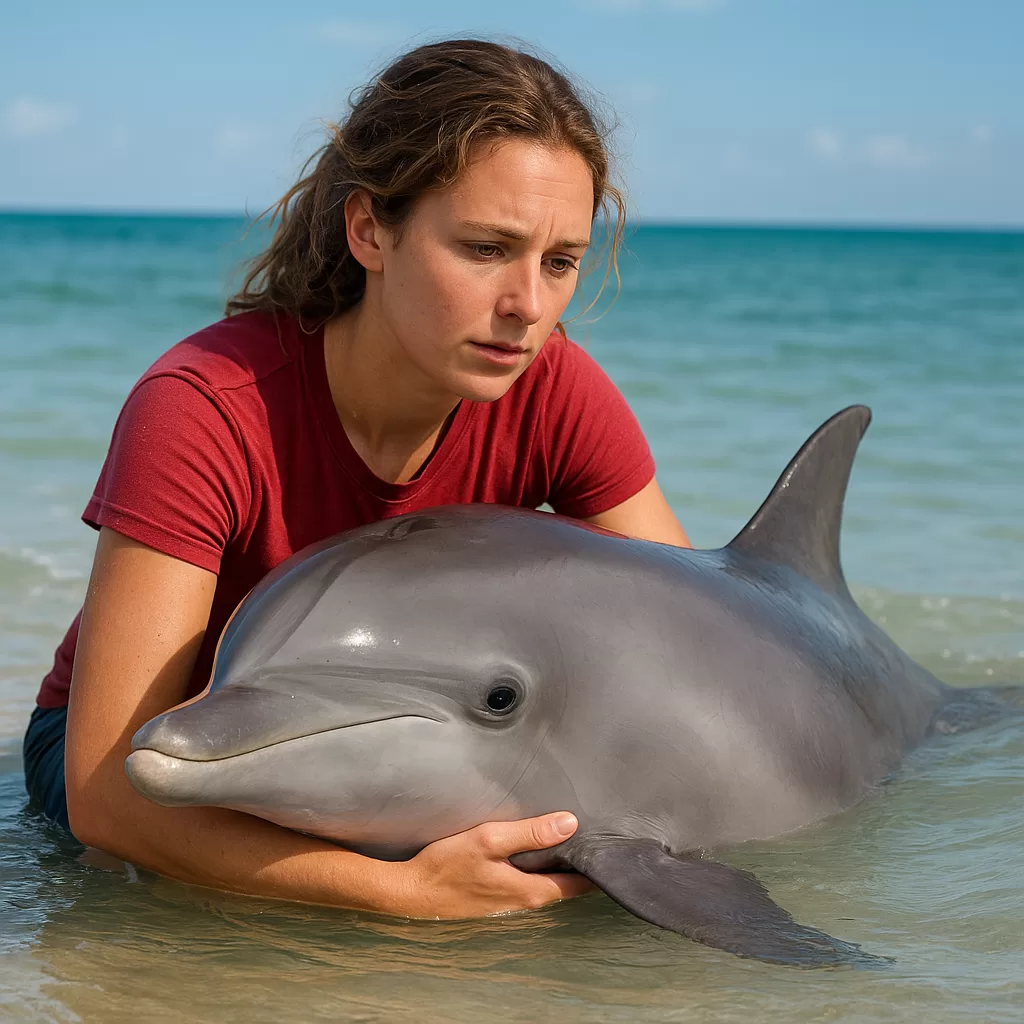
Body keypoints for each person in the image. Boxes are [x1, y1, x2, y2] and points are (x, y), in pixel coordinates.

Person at [23, 39, 690, 919]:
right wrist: (399, 895)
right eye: (486, 248)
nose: (528, 305)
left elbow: (692, 625)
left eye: (559, 261)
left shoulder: (552, 385)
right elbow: (108, 794)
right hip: (162, 755)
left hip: (379, 753)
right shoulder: (205, 408)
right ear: (370, 229)